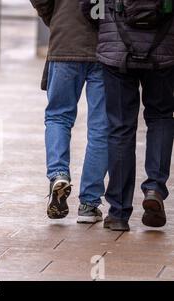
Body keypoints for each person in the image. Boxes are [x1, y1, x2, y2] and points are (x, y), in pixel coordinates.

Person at [80, 0, 174, 231]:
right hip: (164, 47)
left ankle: (119, 212)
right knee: (161, 117)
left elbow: (89, 6)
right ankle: (154, 188)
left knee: (120, 127)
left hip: (117, 48)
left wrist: (106, 21)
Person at [30, 0, 108, 223]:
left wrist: (54, 17)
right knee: (101, 126)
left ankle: (58, 174)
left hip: (66, 38)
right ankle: (89, 204)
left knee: (58, 117)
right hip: (105, 44)